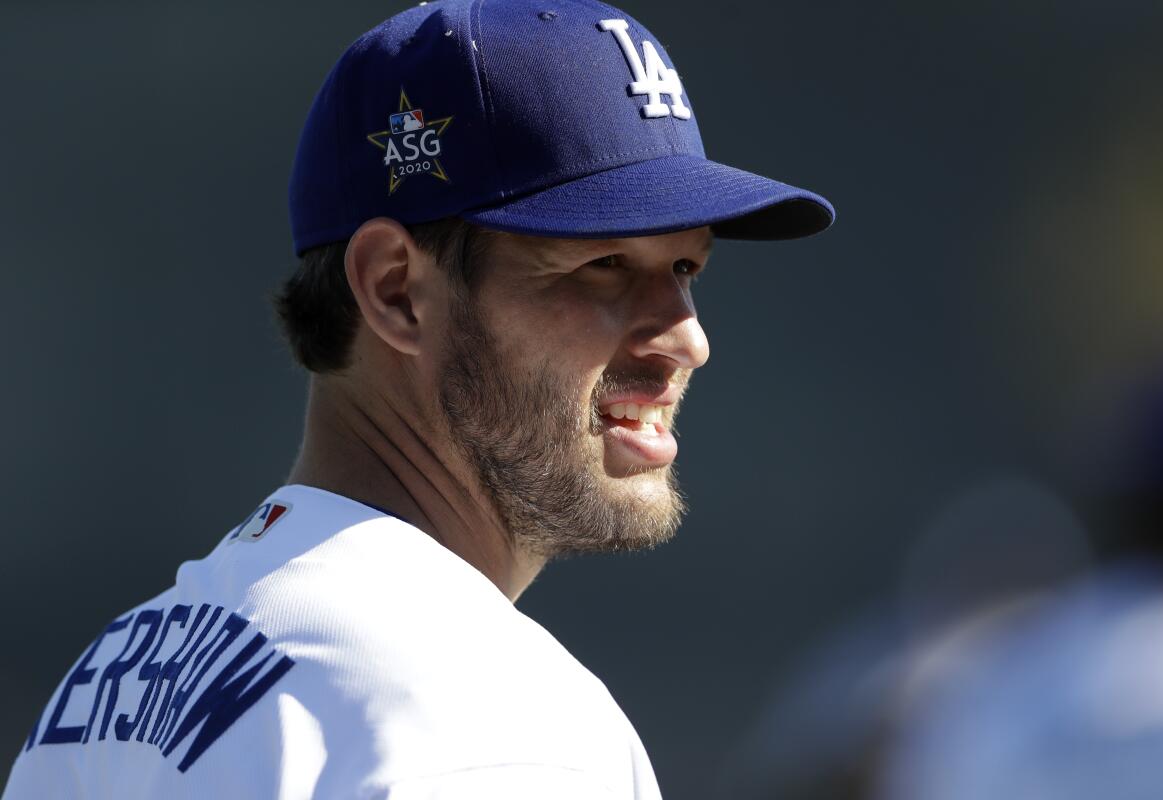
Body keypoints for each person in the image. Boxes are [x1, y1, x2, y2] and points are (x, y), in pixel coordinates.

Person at [2, 0, 833, 797]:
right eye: (604, 265)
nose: (687, 339)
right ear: (397, 291)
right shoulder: (490, 723)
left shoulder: (110, 688)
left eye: (685, 269)